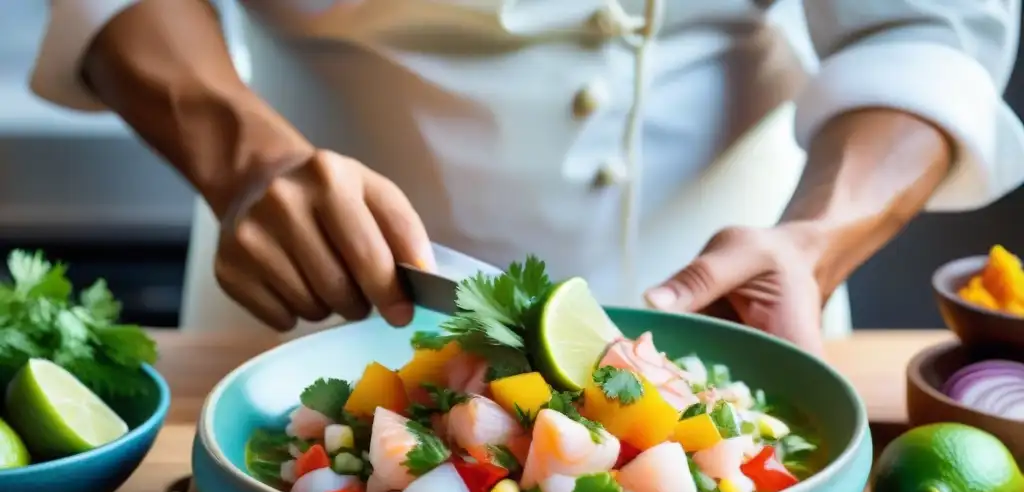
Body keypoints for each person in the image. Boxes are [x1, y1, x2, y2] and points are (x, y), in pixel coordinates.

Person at [30, 0, 1024, 356]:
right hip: (302, 286)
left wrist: (815, 240)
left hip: (738, 300)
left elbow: (922, 26)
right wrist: (246, 160)